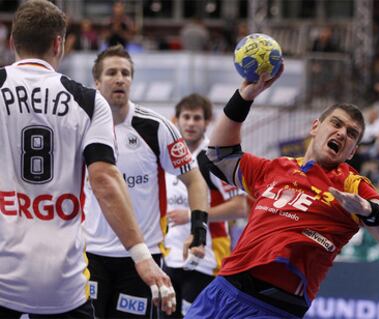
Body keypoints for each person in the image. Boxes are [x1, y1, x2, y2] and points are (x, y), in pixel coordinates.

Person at [185, 64, 379, 318]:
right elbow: (219, 155)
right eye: (336, 124)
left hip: (270, 307)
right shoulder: (276, 167)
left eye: (352, 134)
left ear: (351, 151)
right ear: (315, 127)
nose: (341, 133)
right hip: (222, 289)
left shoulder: (353, 185)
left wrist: (370, 211)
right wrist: (243, 97)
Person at [0, 0, 174, 317]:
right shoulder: (88, 101)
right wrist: (141, 255)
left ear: (12, 43)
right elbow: (105, 182)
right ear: (59, 44)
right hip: (62, 282)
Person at [82, 45, 208, 318]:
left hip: (143, 258)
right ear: (96, 81)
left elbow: (195, 180)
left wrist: (198, 230)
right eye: (112, 72)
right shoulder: (82, 125)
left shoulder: (156, 127)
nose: (120, 79)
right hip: (90, 254)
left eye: (126, 73)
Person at [162, 94, 247, 317]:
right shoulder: (167, 154)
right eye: (186, 117)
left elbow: (240, 207)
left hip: (206, 259)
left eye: (197, 118)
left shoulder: (214, 158)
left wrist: (192, 216)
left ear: (207, 122)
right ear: (175, 119)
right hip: (168, 257)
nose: (190, 123)